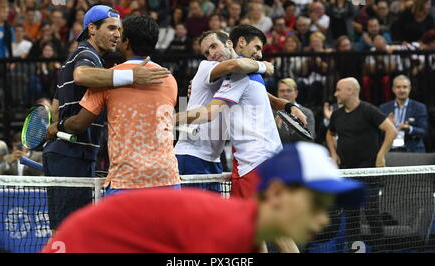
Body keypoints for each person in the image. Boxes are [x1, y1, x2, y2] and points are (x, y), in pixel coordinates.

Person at [42, 142, 367, 253]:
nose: (323, 219)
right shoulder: (225, 231)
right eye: (315, 204)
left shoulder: (247, 236)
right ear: (278, 193)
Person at [43, 5, 170, 231]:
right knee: (69, 231)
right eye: (111, 28)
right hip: (71, 154)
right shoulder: (86, 55)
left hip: (69, 152)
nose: (117, 35)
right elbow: (81, 76)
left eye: (119, 30)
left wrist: (55, 125)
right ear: (92, 29)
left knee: (66, 229)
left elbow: (55, 103)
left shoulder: (80, 57)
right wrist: (131, 74)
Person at [176, 25, 306, 200]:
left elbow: (272, 100)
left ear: (229, 43)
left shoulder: (245, 75)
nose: (211, 54)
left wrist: (291, 107)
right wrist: (167, 119)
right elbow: (235, 65)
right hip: (193, 154)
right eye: (206, 52)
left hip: (223, 159)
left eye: (214, 46)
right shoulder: (210, 67)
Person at [57, 15, 181, 193]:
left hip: (126, 182)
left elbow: (78, 124)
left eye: (120, 32)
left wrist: (57, 126)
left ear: (126, 42)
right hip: (167, 179)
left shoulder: (108, 79)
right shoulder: (169, 79)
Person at [325, 77, 397, 252]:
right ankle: (355, 250)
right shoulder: (337, 114)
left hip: (369, 172)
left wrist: (381, 155)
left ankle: (379, 250)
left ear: (350, 90)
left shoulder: (369, 110)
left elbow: (391, 130)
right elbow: (329, 134)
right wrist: (334, 155)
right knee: (351, 216)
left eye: (338, 90)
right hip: (347, 173)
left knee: (372, 214)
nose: (335, 94)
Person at [379, 75, 428, 153]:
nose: (401, 90)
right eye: (398, 87)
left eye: (405, 87)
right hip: (390, 151)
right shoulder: (384, 108)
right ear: (393, 89)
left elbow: (424, 131)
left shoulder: (419, 107)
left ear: (410, 89)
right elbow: (377, 134)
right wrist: (388, 126)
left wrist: (409, 128)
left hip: (412, 151)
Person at [275, 78, 315, 145]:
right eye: (282, 91)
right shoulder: (271, 112)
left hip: (300, 153)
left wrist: (293, 130)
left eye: (289, 90)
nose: (285, 94)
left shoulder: (307, 113)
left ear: (296, 93)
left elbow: (309, 140)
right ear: (277, 93)